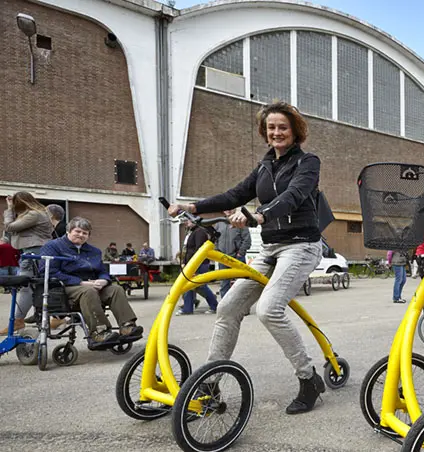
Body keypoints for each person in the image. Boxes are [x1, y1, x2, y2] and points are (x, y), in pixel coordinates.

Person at [168, 101, 326, 414]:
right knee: (227, 307)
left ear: (295, 131)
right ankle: (210, 382)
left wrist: (260, 215)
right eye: (271, 128)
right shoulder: (265, 166)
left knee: (269, 309)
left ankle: (309, 379)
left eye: (283, 127)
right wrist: (194, 207)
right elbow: (234, 195)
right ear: (265, 134)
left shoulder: (308, 163)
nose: (277, 132)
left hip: (301, 246)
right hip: (269, 249)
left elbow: (293, 196)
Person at [39, 217, 144, 347]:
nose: (81, 235)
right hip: (66, 287)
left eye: (85, 233)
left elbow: (102, 271)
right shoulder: (53, 247)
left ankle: (127, 326)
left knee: (116, 289)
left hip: (92, 285)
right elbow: (49, 272)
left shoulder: (94, 251)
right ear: (68, 231)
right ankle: (99, 332)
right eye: (77, 231)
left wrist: (104, 280)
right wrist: (81, 283)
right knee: (89, 291)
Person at [1, 192, 55, 334]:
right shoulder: (40, 213)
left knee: (26, 287)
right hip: (35, 252)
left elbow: (9, 227)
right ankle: (55, 317)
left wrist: (9, 209)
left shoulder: (33, 215)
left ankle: (18, 321)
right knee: (39, 287)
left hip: (33, 253)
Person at [176, 219, 218, 316]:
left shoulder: (199, 232)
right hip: (192, 263)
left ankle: (214, 305)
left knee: (199, 285)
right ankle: (188, 308)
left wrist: (193, 265)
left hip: (198, 264)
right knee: (189, 285)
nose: (186, 222)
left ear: (195, 221)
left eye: (188, 220)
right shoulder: (193, 232)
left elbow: (199, 250)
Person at [214, 209, 252, 300]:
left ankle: (242, 305)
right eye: (226, 209)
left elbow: (247, 240)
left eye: (230, 208)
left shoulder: (240, 222)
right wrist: (217, 251)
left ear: (234, 209)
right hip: (223, 258)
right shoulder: (219, 223)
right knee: (224, 284)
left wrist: (240, 253)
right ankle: (224, 306)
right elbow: (215, 238)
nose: (228, 211)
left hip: (237, 258)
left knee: (241, 284)